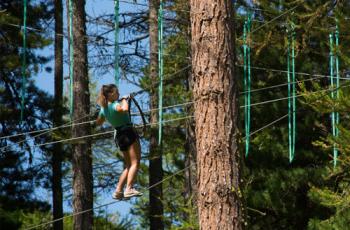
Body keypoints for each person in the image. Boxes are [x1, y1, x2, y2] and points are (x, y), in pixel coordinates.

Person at [96, 84, 142, 199]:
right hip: (127, 132)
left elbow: (99, 122)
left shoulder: (103, 108)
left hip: (119, 136)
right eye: (117, 92)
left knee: (128, 165)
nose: (119, 94)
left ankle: (118, 191)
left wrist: (109, 116)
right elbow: (124, 109)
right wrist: (125, 100)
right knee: (135, 163)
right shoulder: (115, 104)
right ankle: (129, 188)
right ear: (111, 94)